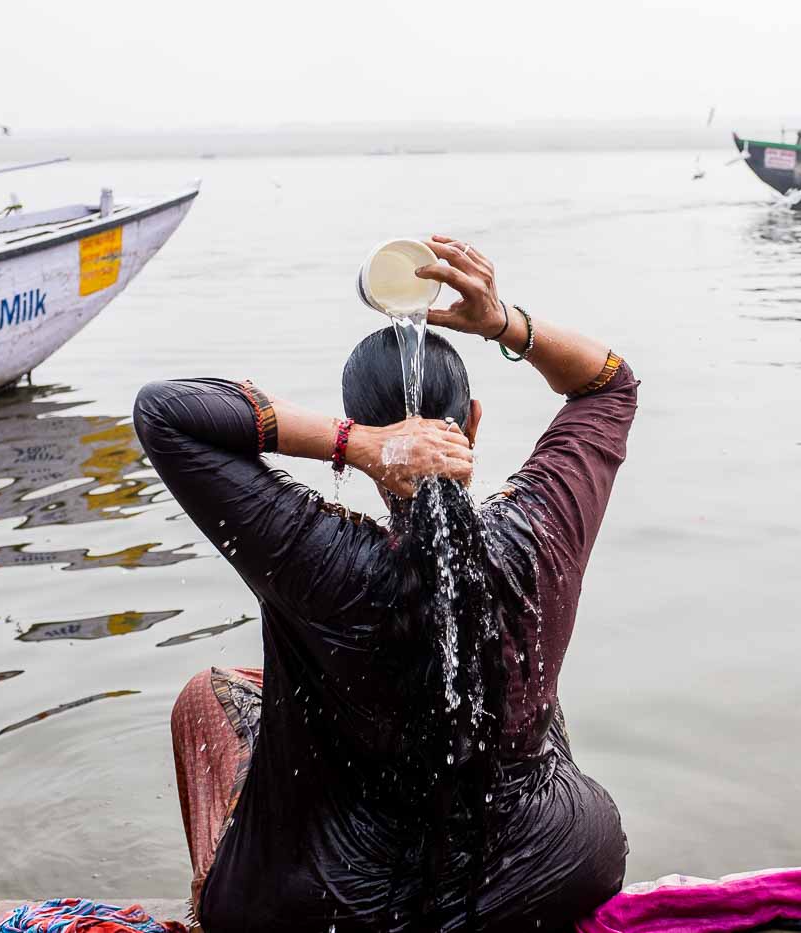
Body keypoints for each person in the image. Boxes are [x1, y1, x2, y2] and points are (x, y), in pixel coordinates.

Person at [139, 236, 636, 932]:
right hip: (544, 872)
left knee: (206, 698)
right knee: (528, 691)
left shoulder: (317, 555)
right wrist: (503, 322)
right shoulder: (540, 527)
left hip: (330, 909)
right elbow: (609, 382)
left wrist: (357, 446)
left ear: (361, 434)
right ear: (474, 423)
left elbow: (167, 413)